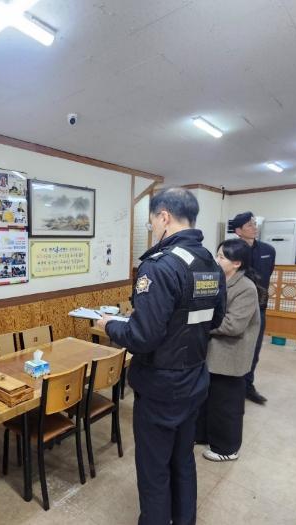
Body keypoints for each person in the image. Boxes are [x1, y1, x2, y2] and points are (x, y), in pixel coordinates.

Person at [97, 187, 226, 525]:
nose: (152, 228)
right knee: (182, 460)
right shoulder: (210, 262)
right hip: (194, 377)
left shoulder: (160, 266)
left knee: (154, 468)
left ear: (164, 217)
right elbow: (215, 318)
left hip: (161, 386)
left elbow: (143, 337)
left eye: (152, 221)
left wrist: (110, 325)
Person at [195, 239, 261, 461]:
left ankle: (227, 449)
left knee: (226, 406)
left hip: (230, 356)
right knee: (207, 400)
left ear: (237, 263)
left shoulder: (246, 288)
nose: (216, 260)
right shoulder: (219, 280)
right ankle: (203, 435)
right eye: (217, 255)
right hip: (212, 353)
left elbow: (233, 325)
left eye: (222, 257)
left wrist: (200, 322)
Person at [232, 211, 275, 404]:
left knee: (254, 348)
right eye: (249, 225)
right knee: (234, 347)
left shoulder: (268, 250)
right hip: (236, 307)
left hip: (259, 307)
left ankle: (248, 386)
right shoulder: (231, 250)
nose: (254, 227)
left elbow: (267, 275)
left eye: (254, 224)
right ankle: (233, 386)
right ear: (238, 231)